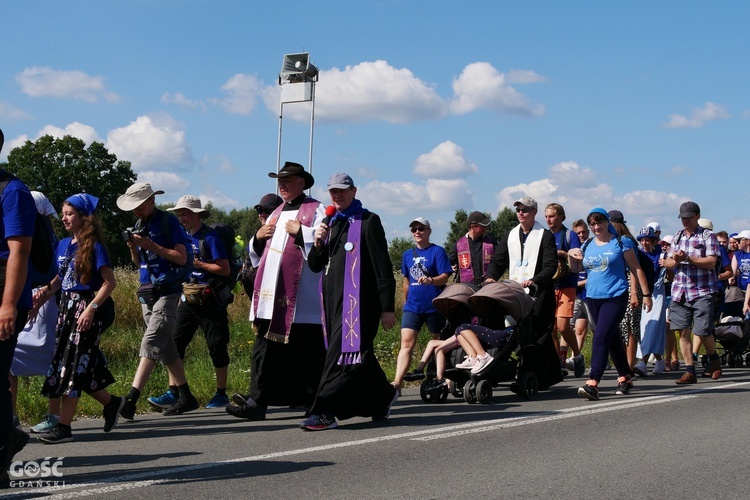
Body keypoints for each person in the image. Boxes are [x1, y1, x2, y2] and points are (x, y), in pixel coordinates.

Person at [227, 162, 326, 421]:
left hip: (303, 299)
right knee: (264, 350)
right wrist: (258, 238)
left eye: (287, 180)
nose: (281, 185)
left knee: (308, 353)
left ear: (301, 183)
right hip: (271, 297)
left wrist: (301, 232)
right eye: (279, 181)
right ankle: (256, 402)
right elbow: (258, 254)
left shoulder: (315, 210)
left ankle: (314, 400)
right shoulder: (276, 212)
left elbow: (323, 243)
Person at [299, 173, 398, 430]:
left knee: (341, 357)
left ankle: (324, 411)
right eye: (333, 191)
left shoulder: (367, 221)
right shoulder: (330, 222)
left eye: (342, 190)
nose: (337, 195)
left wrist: (387, 307)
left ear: (354, 190)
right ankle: (383, 397)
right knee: (359, 357)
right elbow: (315, 265)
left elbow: (382, 267)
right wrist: (318, 244)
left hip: (359, 306)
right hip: (332, 305)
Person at [30, 194, 123, 443]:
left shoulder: (94, 246)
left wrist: (91, 308)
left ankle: (64, 427)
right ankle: (112, 403)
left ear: (84, 217)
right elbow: (61, 278)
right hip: (65, 310)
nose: (64, 218)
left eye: (69, 213)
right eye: (63, 213)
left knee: (72, 367)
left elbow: (109, 282)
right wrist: (44, 293)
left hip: (85, 310)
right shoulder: (63, 244)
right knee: (66, 364)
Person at [116, 182, 198, 418]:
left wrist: (152, 245)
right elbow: (138, 263)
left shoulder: (167, 222)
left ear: (151, 201)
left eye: (139, 207)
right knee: (166, 347)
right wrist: (133, 246)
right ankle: (186, 396)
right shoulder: (140, 224)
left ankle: (130, 400)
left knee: (151, 341)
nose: (136, 212)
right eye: (133, 208)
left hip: (168, 290)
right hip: (148, 291)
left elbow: (181, 258)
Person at [147, 195, 232, 411]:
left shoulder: (209, 237)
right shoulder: (183, 236)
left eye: (184, 213)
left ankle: (221, 394)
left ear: (196, 214)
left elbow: (225, 269)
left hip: (209, 298)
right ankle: (173, 392)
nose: (181, 218)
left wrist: (200, 264)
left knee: (217, 345)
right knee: (174, 343)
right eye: (179, 214)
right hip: (187, 297)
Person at [568, 208, 652, 400]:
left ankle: (593, 382)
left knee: (600, 335)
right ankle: (625, 377)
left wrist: (645, 294)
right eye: (593, 224)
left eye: (600, 222)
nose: (597, 227)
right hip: (592, 297)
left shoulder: (621, 242)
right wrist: (570, 256)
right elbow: (577, 269)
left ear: (607, 222)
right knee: (612, 337)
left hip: (616, 296)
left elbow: (636, 268)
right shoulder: (588, 244)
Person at [485, 196, 562, 390]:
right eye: (518, 209)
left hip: (539, 292)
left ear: (534, 212)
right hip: (516, 293)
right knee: (517, 332)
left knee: (537, 335)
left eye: (525, 209)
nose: (521, 213)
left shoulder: (544, 235)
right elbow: (498, 260)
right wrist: (491, 277)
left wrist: (536, 279)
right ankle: (526, 372)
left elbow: (551, 265)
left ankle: (539, 376)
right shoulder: (510, 235)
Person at [0, 128, 34, 487]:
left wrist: (9, 304)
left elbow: (19, 251)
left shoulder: (13, 192)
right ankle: (7, 437)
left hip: (4, 293)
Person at [10, 191, 60, 432]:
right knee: (51, 357)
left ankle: (12, 415)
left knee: (13, 360)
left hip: (37, 297)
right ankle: (51, 413)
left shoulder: (31, 234)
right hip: (40, 297)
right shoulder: (51, 237)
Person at [663, 201, 722, 384]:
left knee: (703, 330)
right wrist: (675, 260)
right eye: (683, 218)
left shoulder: (707, 236)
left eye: (689, 217)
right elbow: (668, 263)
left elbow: (712, 262)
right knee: (683, 331)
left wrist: (688, 258)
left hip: (702, 290)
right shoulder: (677, 237)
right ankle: (690, 370)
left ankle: (713, 358)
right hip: (680, 290)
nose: (685, 221)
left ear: (697, 216)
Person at [392, 218, 452, 392]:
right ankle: (397, 383)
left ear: (429, 231)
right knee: (406, 343)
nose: (417, 232)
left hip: (434, 305)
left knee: (438, 342)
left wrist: (431, 280)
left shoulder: (437, 251)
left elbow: (445, 277)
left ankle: (441, 376)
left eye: (421, 229)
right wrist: (405, 303)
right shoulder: (407, 254)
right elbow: (406, 281)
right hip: (413, 307)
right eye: (414, 230)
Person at [544, 203, 585, 377]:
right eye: (546, 216)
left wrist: (563, 253)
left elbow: (577, 255)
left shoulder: (570, 235)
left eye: (552, 216)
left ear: (561, 216)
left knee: (562, 325)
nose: (548, 220)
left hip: (567, 282)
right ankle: (557, 361)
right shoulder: (543, 235)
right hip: (549, 283)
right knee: (551, 327)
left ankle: (577, 354)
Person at [608, 210, 641, 374]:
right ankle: (624, 366)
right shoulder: (613, 241)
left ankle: (629, 365)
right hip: (619, 285)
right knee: (620, 327)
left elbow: (633, 269)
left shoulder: (627, 241)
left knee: (630, 328)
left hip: (631, 284)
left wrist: (634, 292)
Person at [634, 227, 667, 375]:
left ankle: (643, 362)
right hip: (643, 292)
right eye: (642, 240)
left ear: (654, 240)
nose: (645, 243)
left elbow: (670, 276)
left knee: (654, 324)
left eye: (648, 239)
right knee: (645, 326)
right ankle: (659, 360)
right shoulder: (638, 254)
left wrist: (667, 264)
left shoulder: (661, 255)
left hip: (658, 292)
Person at [238, 194, 283, 297]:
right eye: (259, 210)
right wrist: (257, 238)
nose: (262, 214)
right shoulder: (258, 234)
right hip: (257, 290)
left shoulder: (284, 234)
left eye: (267, 210)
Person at [448, 211, 497, 286]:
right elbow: (449, 264)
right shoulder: (458, 245)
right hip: (466, 288)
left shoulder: (491, 242)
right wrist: (451, 267)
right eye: (483, 226)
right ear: (473, 227)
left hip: (487, 288)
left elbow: (499, 261)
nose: (486, 229)